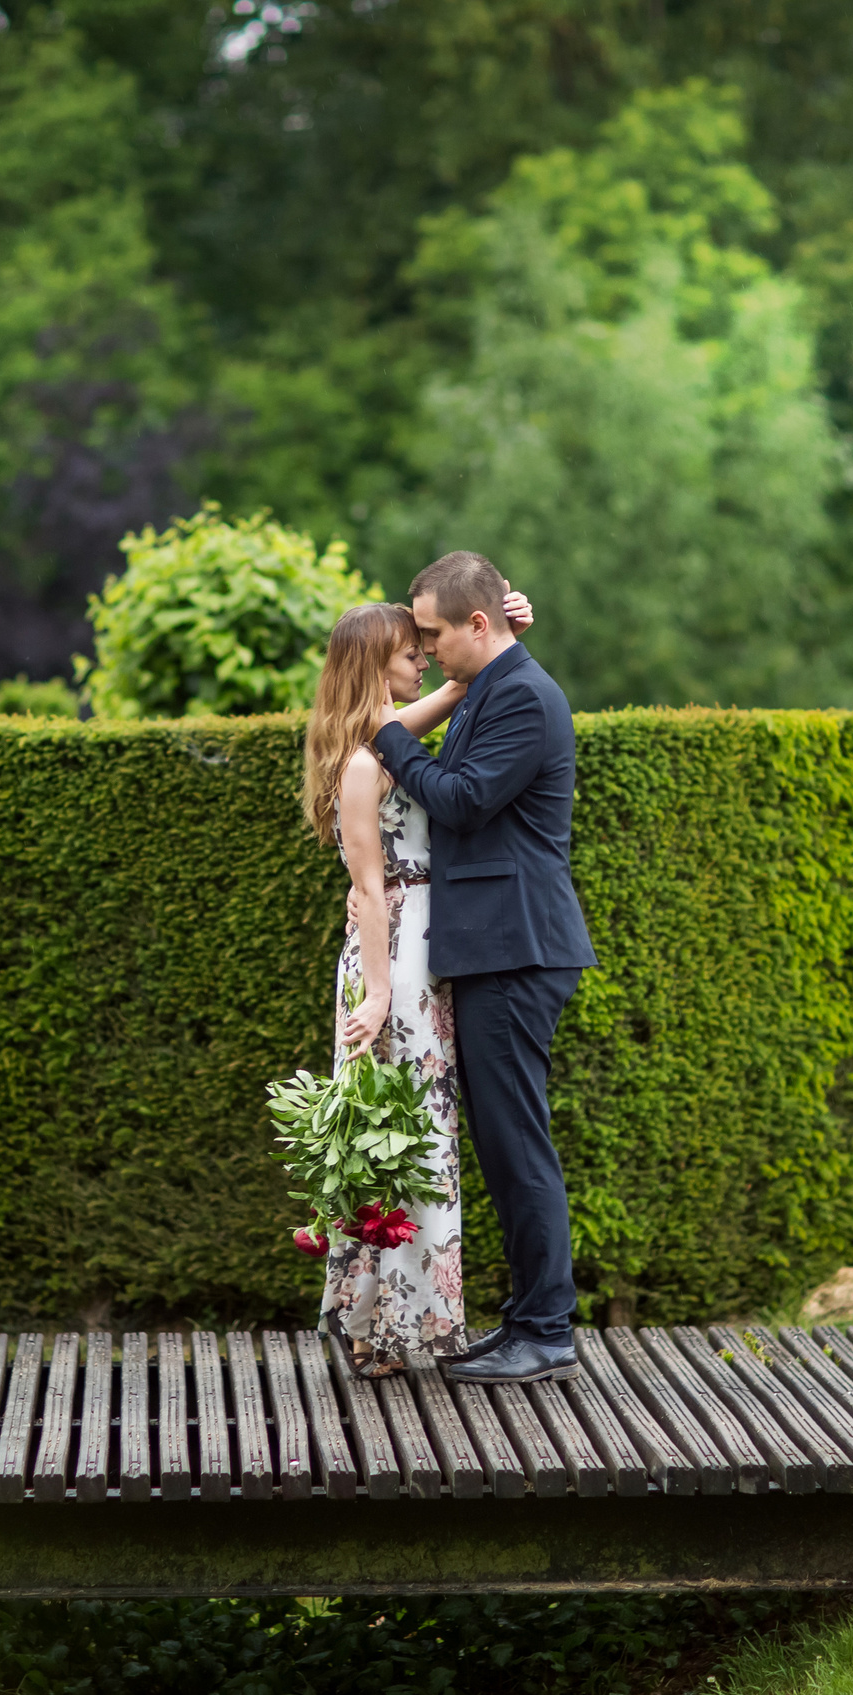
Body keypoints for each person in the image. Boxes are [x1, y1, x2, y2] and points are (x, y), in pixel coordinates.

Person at [368, 551, 596, 1387]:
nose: (424, 649)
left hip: (518, 947)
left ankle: (545, 1329)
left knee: (518, 1145)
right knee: (506, 1146)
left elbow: (461, 799)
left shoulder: (526, 699)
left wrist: (387, 734)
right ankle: (530, 1322)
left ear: (475, 624)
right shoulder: (497, 682)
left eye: (432, 633)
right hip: (499, 946)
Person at [301, 589, 535, 1378]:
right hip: (394, 960)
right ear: (375, 664)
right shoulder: (369, 760)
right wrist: (374, 995)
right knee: (399, 1140)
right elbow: (369, 890)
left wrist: (505, 630)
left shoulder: (386, 736)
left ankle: (395, 1324)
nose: (423, 660)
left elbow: (466, 682)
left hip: (417, 955)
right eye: (409, 653)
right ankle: (381, 1327)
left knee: (416, 1139)